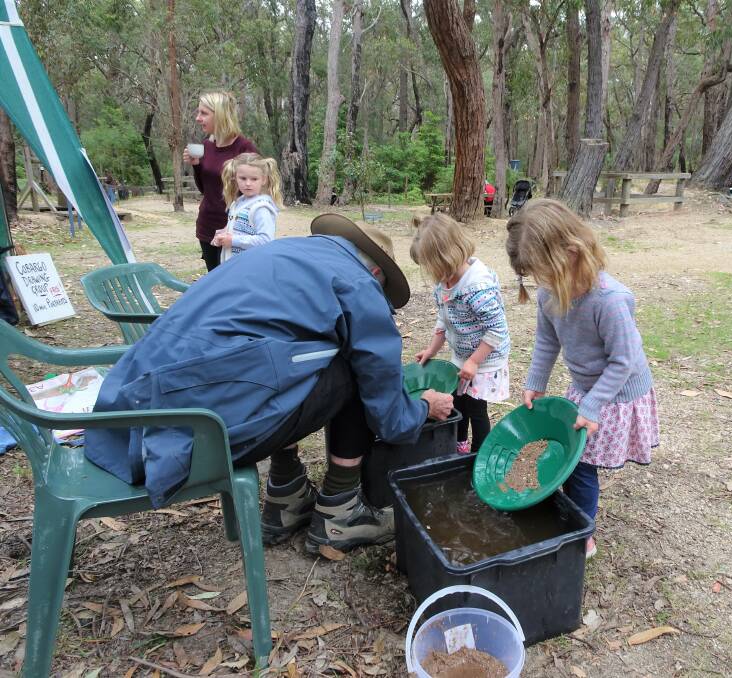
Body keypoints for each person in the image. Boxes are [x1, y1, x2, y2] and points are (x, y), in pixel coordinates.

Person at [84, 214, 454, 552]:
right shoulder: (357, 282)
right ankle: (340, 512)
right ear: (376, 274)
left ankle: (287, 493)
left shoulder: (286, 254)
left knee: (301, 350)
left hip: (131, 416)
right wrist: (423, 407)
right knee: (352, 363)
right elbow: (388, 411)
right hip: (189, 436)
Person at [506, 199, 659, 559]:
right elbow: (547, 341)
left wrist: (591, 405)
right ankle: (576, 515)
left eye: (543, 271)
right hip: (587, 388)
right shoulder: (550, 293)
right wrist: (536, 381)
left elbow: (623, 362)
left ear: (571, 252)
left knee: (582, 464)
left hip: (617, 394)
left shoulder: (610, 301)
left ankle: (584, 531)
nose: (540, 282)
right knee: (576, 461)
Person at [411, 213, 510, 455]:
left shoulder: (477, 287)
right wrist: (432, 349)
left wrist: (475, 362)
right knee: (458, 401)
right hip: (463, 355)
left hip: (485, 358)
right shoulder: (444, 282)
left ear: (446, 257)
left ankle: (479, 453)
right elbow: (443, 318)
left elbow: (497, 328)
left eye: (432, 266)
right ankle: (460, 445)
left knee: (476, 409)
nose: (432, 274)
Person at [183, 91, 258, 272]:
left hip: (237, 231)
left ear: (220, 114)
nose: (198, 118)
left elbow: (258, 192)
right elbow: (206, 190)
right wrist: (196, 165)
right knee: (215, 281)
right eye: (198, 113)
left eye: (204, 113)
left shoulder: (244, 148)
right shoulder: (207, 146)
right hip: (208, 226)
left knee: (236, 282)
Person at [212, 153, 282, 264]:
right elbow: (241, 229)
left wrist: (233, 240)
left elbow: (266, 240)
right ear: (235, 178)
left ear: (263, 180)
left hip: (250, 267)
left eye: (254, 179)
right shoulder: (238, 203)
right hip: (235, 265)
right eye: (243, 178)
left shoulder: (261, 208)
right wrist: (224, 233)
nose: (248, 183)